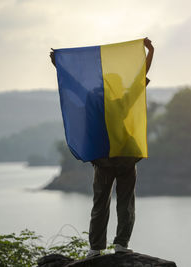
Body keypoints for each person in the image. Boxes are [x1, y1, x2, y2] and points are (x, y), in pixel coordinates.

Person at [50, 38, 154, 257]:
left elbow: (75, 85)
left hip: (104, 159)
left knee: (100, 204)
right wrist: (150, 52)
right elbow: (138, 77)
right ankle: (121, 245)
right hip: (126, 155)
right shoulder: (123, 100)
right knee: (126, 202)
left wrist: (59, 65)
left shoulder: (91, 100)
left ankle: (96, 248)